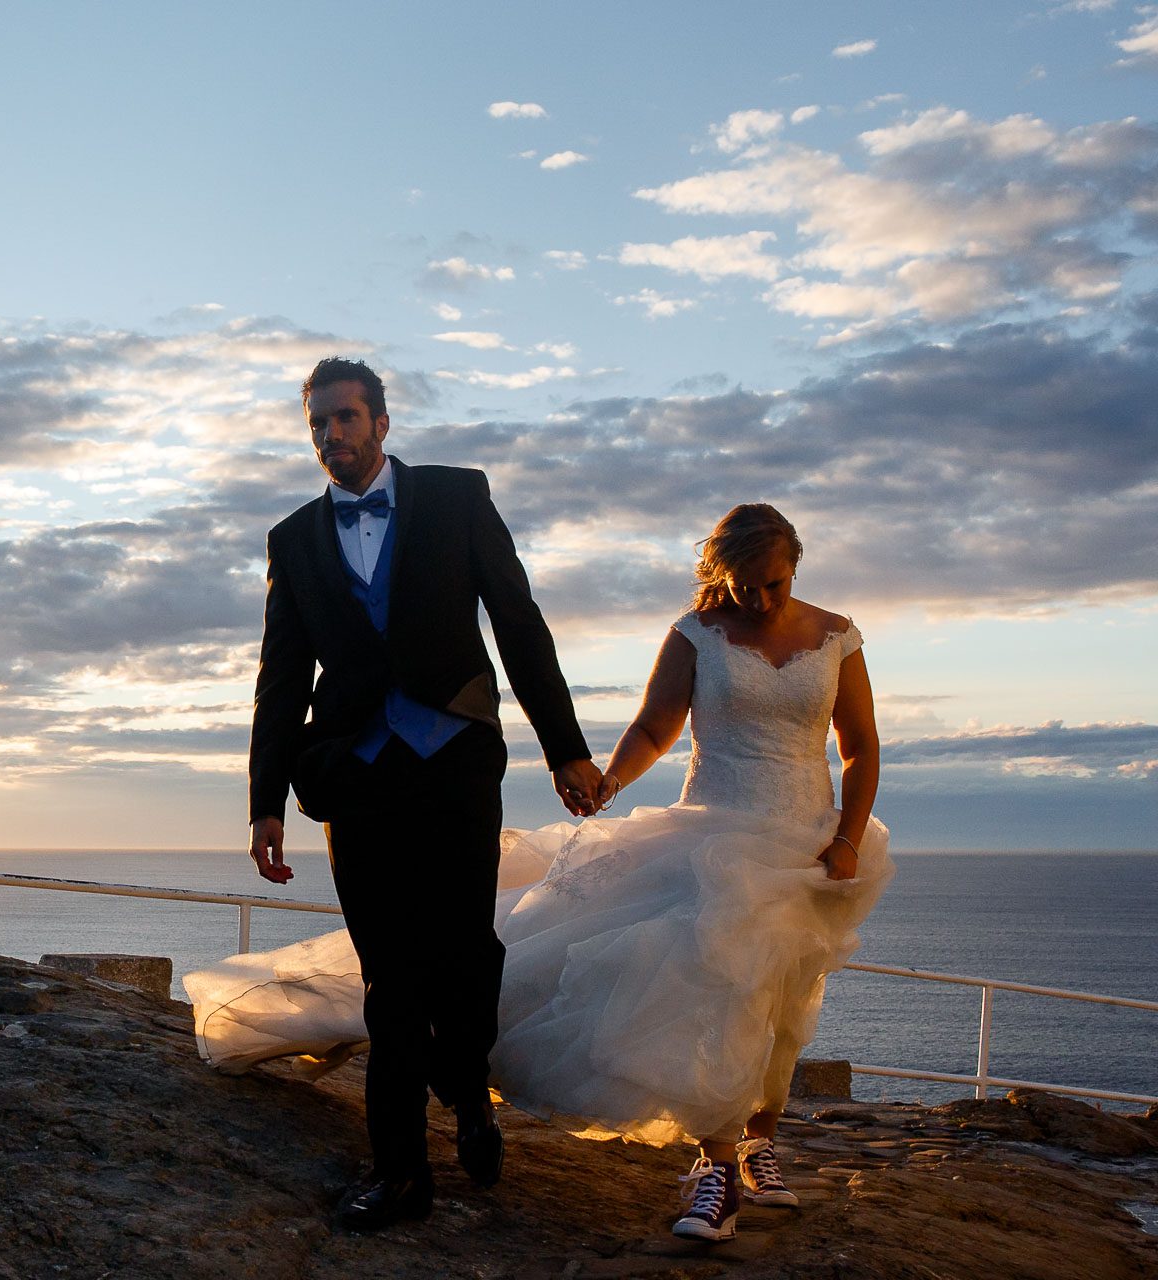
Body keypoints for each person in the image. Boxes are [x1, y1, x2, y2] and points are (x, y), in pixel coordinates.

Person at [189, 500, 892, 1245]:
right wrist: (608, 780)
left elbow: (860, 746)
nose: (761, 599)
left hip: (809, 840)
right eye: (746, 586)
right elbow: (657, 725)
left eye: (775, 584)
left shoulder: (835, 636)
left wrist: (846, 837)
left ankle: (759, 1144)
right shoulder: (698, 636)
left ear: (794, 566)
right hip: (713, 836)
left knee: (784, 999)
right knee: (722, 992)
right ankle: (714, 1168)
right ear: (722, 575)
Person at [236, 356, 603, 1231]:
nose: (333, 437)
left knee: (465, 954)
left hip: (455, 762)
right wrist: (265, 803)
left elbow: (519, 625)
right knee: (391, 976)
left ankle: (467, 1085)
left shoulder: (457, 498)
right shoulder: (293, 540)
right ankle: (400, 1172)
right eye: (319, 424)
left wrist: (567, 751)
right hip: (355, 777)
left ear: (382, 424)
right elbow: (280, 679)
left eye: (347, 419)